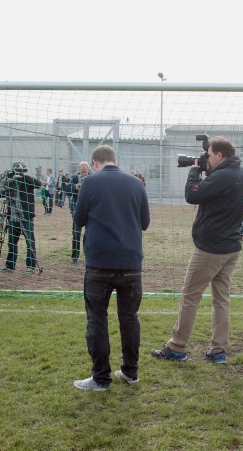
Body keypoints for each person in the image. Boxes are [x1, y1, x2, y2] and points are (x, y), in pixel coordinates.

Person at [151, 136, 243, 364]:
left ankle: (176, 347)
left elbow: (192, 195)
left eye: (209, 155)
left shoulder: (223, 175)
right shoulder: (242, 174)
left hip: (210, 249)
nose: (206, 159)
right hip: (231, 247)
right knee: (221, 300)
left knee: (189, 297)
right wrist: (206, 170)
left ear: (220, 156)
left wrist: (194, 171)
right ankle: (218, 351)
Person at [73, 145, 150, 391]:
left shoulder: (90, 182)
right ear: (115, 160)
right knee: (129, 319)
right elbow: (145, 222)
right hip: (131, 263)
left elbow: (78, 219)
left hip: (99, 263)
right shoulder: (137, 184)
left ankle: (101, 378)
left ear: (95, 162)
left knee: (97, 319)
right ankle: (130, 371)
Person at [0, 162, 43, 272]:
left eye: (20, 172)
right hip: (13, 219)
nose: (17, 174)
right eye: (16, 171)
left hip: (26, 218)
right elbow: (4, 193)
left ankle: (31, 266)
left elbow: (38, 184)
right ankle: (10, 266)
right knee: (12, 243)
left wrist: (23, 177)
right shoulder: (11, 182)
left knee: (30, 242)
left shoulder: (27, 181)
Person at [69, 162, 91, 263]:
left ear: (88, 170)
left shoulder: (92, 178)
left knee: (89, 234)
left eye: (85, 171)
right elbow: (67, 188)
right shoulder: (74, 177)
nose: (83, 172)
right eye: (82, 171)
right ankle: (74, 257)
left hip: (89, 211)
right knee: (76, 234)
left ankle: (88, 256)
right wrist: (75, 187)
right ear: (79, 169)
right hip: (77, 210)